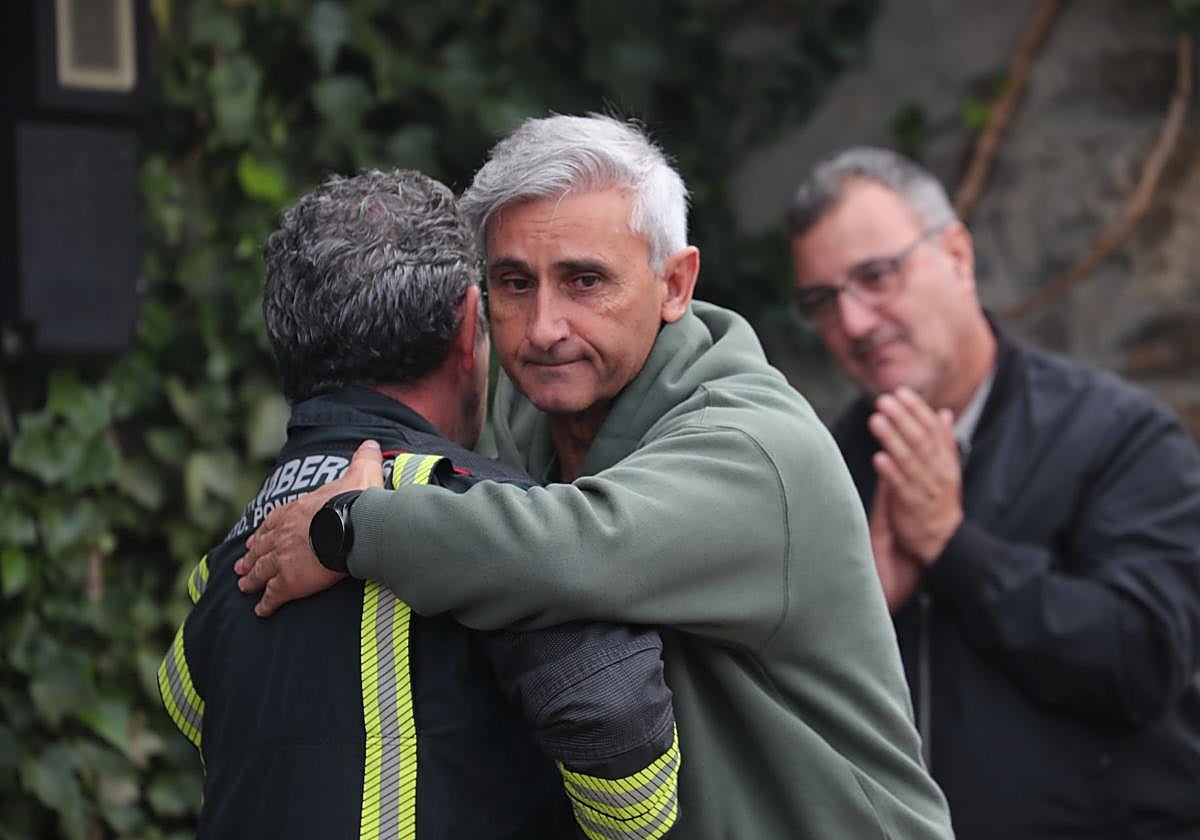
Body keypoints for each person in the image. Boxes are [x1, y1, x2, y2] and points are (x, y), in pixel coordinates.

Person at [238, 115, 953, 839]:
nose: (545, 326)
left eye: (585, 281)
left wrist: (348, 527)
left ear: (675, 284)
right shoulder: (528, 408)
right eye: (515, 283)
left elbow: (573, 550)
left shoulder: (754, 446)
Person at [157, 168, 681, 839]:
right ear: (469, 324)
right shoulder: (490, 523)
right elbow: (616, 727)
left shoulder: (230, 563)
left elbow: (187, 702)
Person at [787, 146, 1200, 839]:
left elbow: (1142, 662)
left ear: (956, 254)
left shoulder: (1119, 436)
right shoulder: (820, 467)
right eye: (824, 301)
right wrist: (855, 610)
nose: (854, 324)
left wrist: (954, 551)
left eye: (877, 277)